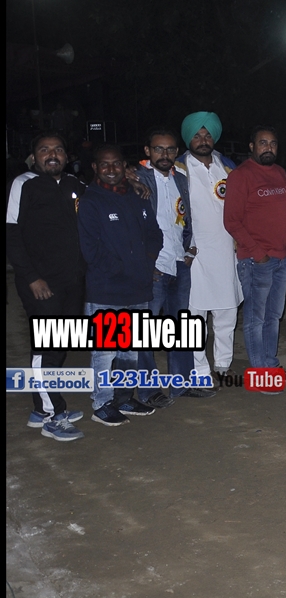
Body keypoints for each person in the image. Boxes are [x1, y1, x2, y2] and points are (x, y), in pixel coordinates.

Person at [7, 132, 87, 440]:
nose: (52, 154)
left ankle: (41, 408)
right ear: (34, 156)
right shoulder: (23, 184)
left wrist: (132, 181)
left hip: (72, 281)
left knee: (61, 344)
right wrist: (31, 277)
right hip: (41, 283)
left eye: (58, 150)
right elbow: (11, 234)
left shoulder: (74, 184)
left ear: (67, 156)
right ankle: (53, 416)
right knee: (47, 347)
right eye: (44, 149)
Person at [78, 145, 163, 425]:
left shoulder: (137, 196)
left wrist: (145, 263)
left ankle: (124, 398)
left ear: (124, 166)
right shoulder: (91, 201)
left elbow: (154, 234)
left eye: (116, 163)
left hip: (138, 287)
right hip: (106, 289)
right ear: (95, 167)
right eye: (105, 164)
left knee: (129, 349)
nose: (111, 169)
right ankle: (102, 403)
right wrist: (123, 269)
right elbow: (90, 249)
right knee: (105, 351)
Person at [136, 127, 208, 403]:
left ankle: (182, 384)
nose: (164, 155)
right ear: (148, 151)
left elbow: (186, 217)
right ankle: (148, 390)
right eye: (158, 149)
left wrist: (189, 249)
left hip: (180, 263)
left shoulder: (181, 179)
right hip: (153, 267)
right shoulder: (138, 178)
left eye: (169, 149)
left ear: (176, 152)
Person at [177, 112, 242, 381]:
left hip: (226, 251)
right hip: (195, 253)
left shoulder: (227, 167)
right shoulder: (178, 169)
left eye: (207, 135)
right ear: (188, 139)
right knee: (195, 316)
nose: (203, 140)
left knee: (227, 313)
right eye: (197, 135)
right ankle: (200, 369)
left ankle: (223, 365)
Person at [224, 126, 286, 370]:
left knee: (274, 316)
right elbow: (231, 221)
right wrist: (258, 253)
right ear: (252, 146)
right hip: (257, 261)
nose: (268, 148)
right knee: (256, 319)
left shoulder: (280, 172)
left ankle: (270, 364)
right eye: (263, 143)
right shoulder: (240, 176)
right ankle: (259, 370)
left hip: (282, 258)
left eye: (273, 143)